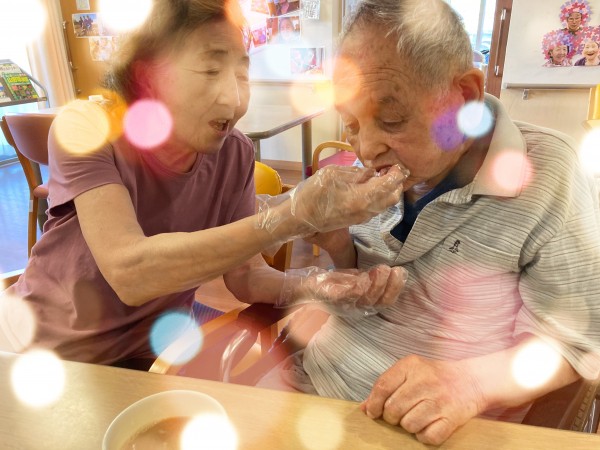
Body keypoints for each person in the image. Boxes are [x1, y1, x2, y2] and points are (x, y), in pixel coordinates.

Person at [257, 0, 600, 445]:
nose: (367, 149)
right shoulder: (371, 169)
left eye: (391, 120)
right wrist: (339, 246)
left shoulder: (548, 172)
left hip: (427, 426)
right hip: (311, 381)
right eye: (351, 123)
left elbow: (573, 342)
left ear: (465, 97)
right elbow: (359, 281)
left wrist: (469, 384)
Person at [0, 0, 408, 370]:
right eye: (211, 70)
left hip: (151, 352)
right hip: (48, 353)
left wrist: (319, 284)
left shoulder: (234, 154)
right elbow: (130, 273)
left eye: (243, 74)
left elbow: (247, 276)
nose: (234, 98)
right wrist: (292, 215)